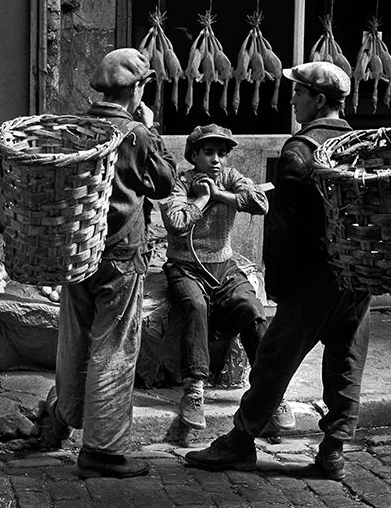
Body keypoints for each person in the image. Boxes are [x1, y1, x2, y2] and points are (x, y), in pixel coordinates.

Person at [184, 62, 372, 481]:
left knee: (275, 357)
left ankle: (240, 441)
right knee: (346, 357)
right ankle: (334, 451)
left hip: (314, 276)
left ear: (319, 100)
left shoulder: (299, 149)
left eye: (299, 92)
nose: (292, 98)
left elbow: (288, 223)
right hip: (357, 274)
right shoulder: (357, 143)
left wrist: (280, 283)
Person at [41, 47, 176, 479]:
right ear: (135, 89)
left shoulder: (79, 127)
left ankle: (62, 418)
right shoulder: (135, 133)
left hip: (77, 252)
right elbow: (164, 182)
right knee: (114, 348)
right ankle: (103, 449)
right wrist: (150, 129)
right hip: (120, 254)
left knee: (75, 341)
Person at [159, 124, 295, 433]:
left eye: (222, 153)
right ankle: (194, 390)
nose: (217, 159)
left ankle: (272, 391)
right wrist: (203, 199)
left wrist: (221, 193)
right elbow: (177, 222)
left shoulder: (231, 178)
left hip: (224, 264)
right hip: (185, 265)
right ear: (194, 155)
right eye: (209, 152)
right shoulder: (180, 182)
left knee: (251, 308)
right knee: (195, 305)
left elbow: (261, 203)